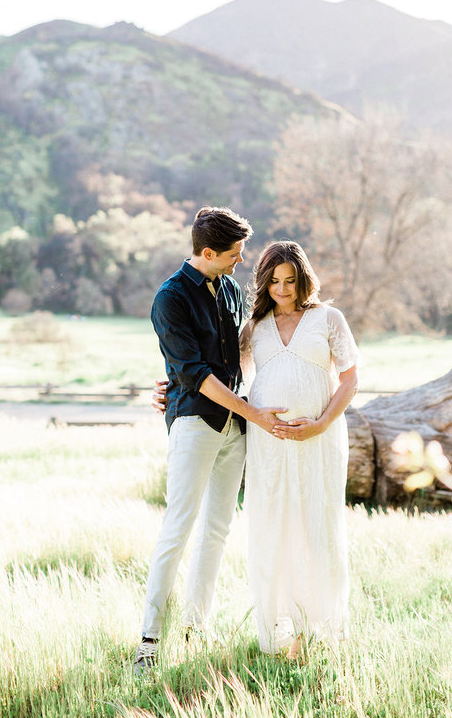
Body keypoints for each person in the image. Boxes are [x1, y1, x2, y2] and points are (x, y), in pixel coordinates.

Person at [134, 207, 287, 675]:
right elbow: (195, 373)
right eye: (235, 255)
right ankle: (149, 642)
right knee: (177, 528)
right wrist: (254, 414)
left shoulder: (231, 289)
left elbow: (235, 355)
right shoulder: (170, 298)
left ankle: (195, 628)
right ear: (207, 252)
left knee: (217, 530)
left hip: (233, 429)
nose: (240, 262)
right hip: (196, 424)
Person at [239, 240, 359, 656]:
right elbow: (222, 378)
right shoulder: (254, 328)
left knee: (315, 526)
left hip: (319, 441)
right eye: (274, 281)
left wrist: (321, 424)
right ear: (263, 283)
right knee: (272, 526)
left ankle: (319, 628)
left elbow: (349, 380)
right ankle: (280, 629)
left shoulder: (328, 318)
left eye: (290, 280)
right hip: (269, 445)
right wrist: (169, 389)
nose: (282, 289)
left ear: (303, 278)